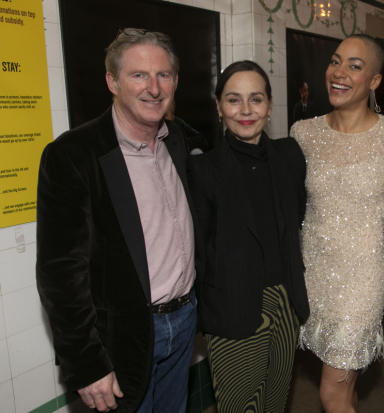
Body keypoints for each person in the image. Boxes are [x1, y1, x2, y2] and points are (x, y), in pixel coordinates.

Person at [36, 28, 198, 413]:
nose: (154, 88)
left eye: (163, 75)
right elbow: (60, 273)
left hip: (185, 319)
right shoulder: (73, 155)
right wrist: (86, 364)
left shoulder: (177, 140)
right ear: (112, 81)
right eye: (139, 75)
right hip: (125, 337)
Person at [290, 34, 384, 413]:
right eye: (335, 61)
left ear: (374, 80)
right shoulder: (303, 133)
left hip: (362, 276)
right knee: (345, 388)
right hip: (314, 271)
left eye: (355, 66)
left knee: (331, 393)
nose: (339, 73)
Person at [188, 60, 309, 413]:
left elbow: (298, 217)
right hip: (233, 304)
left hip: (287, 302)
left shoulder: (289, 155)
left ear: (269, 105)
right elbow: (198, 248)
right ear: (218, 106)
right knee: (240, 407)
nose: (245, 110)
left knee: (274, 402)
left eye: (255, 99)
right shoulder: (202, 169)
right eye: (233, 99)